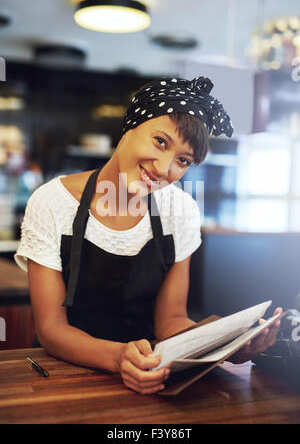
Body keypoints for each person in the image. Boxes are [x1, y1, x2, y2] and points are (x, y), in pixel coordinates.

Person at [15, 76, 282, 395]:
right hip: (62, 378)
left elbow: (171, 322)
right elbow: (50, 329)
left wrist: (231, 343)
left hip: (147, 378)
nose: (163, 168)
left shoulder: (179, 211)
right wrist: (118, 357)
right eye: (160, 141)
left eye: (183, 160)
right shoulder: (52, 203)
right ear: (131, 124)